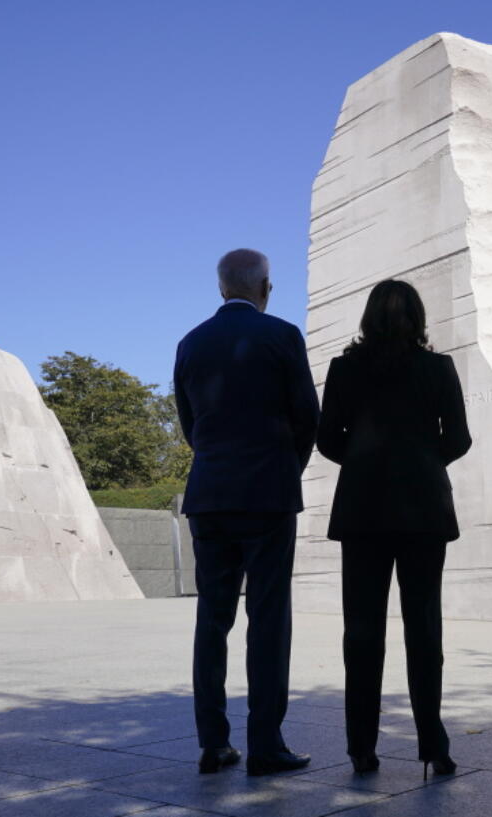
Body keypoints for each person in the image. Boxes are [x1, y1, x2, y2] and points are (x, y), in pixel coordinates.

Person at [316, 279, 471, 779]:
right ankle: (434, 747)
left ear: (368, 318)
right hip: (423, 511)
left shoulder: (344, 369)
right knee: (425, 629)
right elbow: (460, 439)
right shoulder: (438, 367)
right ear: (419, 319)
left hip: (363, 511)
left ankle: (362, 748)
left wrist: (363, 464)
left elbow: (327, 440)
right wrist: (424, 463)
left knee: (361, 632)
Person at [174, 248, 320, 777]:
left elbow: (190, 426)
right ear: (266, 289)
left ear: (220, 289)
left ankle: (213, 744)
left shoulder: (190, 342)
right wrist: (287, 467)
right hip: (268, 494)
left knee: (212, 620)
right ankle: (265, 744)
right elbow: (308, 416)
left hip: (210, 495)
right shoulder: (282, 336)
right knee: (268, 619)